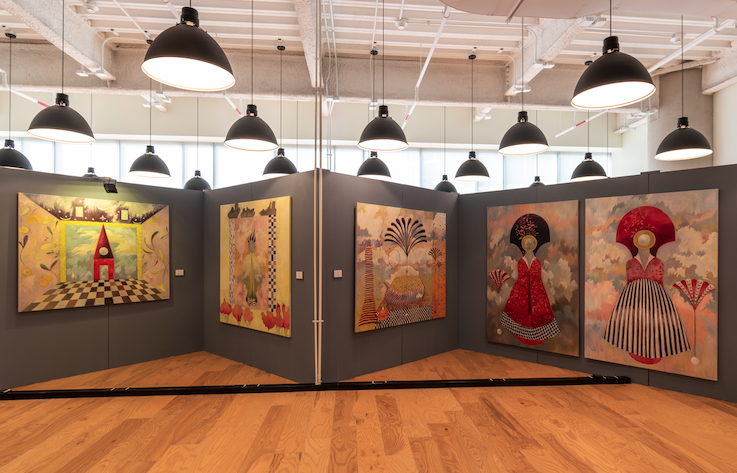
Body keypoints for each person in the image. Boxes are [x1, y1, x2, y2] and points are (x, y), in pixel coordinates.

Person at [604, 206, 690, 364]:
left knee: (655, 325)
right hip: (633, 297)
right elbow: (629, 280)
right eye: (641, 243)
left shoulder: (658, 262)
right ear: (636, 244)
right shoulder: (631, 262)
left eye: (647, 243)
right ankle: (635, 350)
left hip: (655, 297)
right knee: (634, 323)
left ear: (652, 244)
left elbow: (660, 281)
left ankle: (654, 352)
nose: (644, 246)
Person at [501, 214, 560, 345]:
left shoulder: (537, 262)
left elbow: (541, 277)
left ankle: (537, 335)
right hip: (520, 292)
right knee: (519, 316)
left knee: (539, 316)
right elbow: (516, 276)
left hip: (537, 292)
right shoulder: (520, 262)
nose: (528, 245)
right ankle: (522, 333)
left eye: (531, 242)